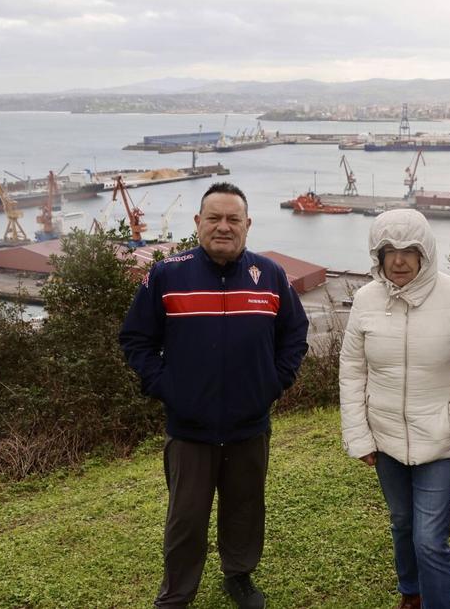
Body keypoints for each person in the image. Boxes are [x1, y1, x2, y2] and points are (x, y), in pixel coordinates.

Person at [119, 182, 309, 609]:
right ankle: (177, 593)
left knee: (244, 508)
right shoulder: (168, 274)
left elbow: (294, 335)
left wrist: (273, 383)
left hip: (249, 424)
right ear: (198, 223)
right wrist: (167, 388)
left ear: (247, 225)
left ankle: (238, 575)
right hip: (189, 428)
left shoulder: (271, 275)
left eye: (233, 219)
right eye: (214, 218)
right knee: (186, 520)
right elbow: (136, 339)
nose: (223, 227)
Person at [338, 208, 450, 609]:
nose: (399, 260)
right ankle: (411, 593)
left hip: (440, 439)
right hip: (384, 437)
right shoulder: (366, 299)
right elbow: (353, 369)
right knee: (402, 523)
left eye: (409, 250)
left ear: (426, 253)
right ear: (378, 254)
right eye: (389, 250)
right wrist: (359, 433)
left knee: (430, 538)